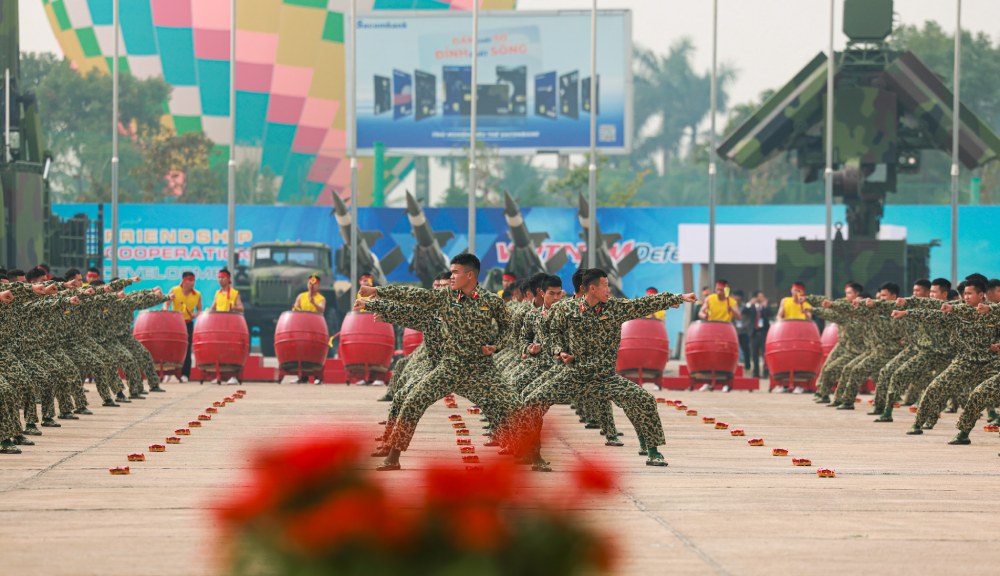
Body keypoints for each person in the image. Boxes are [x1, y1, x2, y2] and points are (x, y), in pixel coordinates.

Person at [360, 253, 525, 472]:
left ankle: (532, 454)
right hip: (449, 367)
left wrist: (496, 345)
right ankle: (393, 457)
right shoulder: (445, 297)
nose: (452, 276)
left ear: (470, 275)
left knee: (513, 404)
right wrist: (377, 293)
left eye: (455, 272)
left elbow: (508, 327)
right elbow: (413, 296)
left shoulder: (491, 301)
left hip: (480, 369)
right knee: (412, 402)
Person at [521, 269, 697, 470]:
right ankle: (534, 455)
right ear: (592, 288)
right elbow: (554, 331)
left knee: (644, 400)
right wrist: (560, 351)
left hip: (605, 377)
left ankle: (653, 451)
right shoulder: (566, 309)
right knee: (532, 402)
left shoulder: (614, 308)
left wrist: (678, 297)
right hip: (573, 375)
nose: (608, 289)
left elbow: (641, 304)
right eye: (605, 285)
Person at [697, 280, 742, 391]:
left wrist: (732, 311)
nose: (719, 292)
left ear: (726, 290)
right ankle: (707, 382)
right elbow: (700, 312)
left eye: (721, 290)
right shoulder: (710, 299)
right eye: (717, 289)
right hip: (711, 332)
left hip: (725, 333)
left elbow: (739, 317)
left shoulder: (731, 302)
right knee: (709, 357)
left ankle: (726, 383)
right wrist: (705, 315)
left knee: (725, 359)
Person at [165, 271, 203, 382]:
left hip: (187, 324)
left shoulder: (197, 295)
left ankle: (185, 374)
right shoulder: (174, 290)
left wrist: (195, 315)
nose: (192, 283)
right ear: (184, 281)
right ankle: (169, 371)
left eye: (193, 280)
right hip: (175, 324)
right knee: (172, 347)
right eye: (190, 280)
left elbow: (200, 309)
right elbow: (166, 304)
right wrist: (166, 312)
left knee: (187, 349)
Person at [208, 269, 244, 385]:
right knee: (218, 351)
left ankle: (233, 376)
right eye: (219, 277)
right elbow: (213, 307)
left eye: (222, 277)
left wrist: (233, 308)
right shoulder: (217, 293)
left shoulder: (234, 293)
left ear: (228, 279)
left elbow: (241, 308)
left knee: (231, 351)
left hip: (231, 326)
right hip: (219, 327)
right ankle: (218, 375)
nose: (220, 280)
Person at [743, 291, 772, 381]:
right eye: (759, 296)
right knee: (754, 354)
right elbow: (743, 311)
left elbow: (770, 314)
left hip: (763, 333)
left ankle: (766, 372)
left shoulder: (764, 308)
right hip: (754, 333)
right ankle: (756, 373)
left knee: (765, 353)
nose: (761, 298)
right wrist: (749, 303)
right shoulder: (751, 307)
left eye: (762, 297)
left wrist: (765, 306)